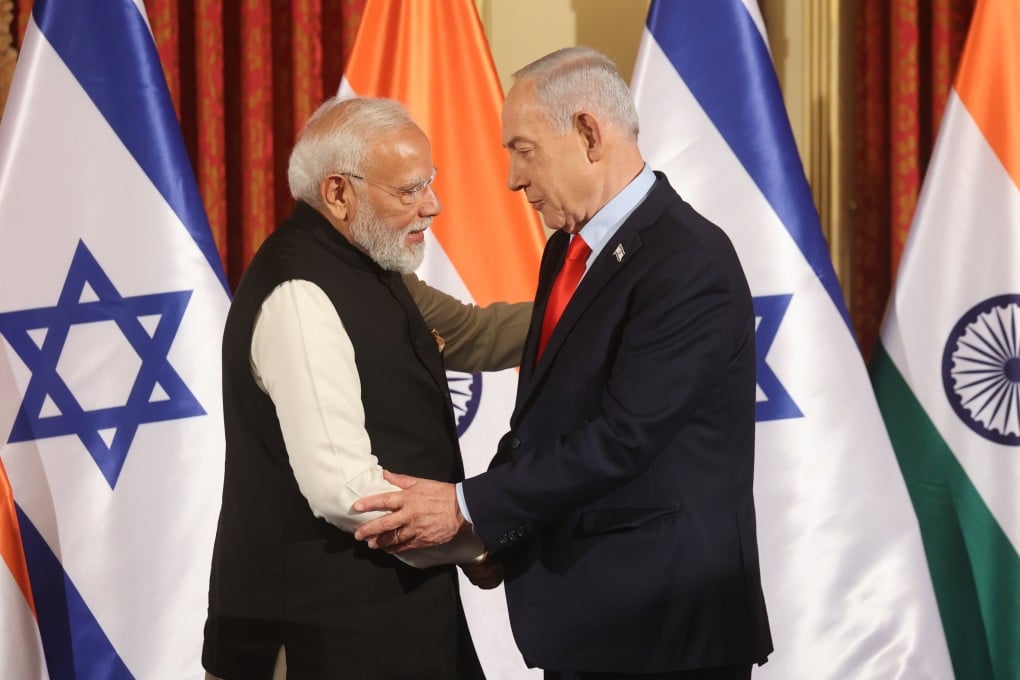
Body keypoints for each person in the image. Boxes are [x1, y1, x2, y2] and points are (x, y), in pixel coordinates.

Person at [353, 47, 773, 679]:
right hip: (595, 623)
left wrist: (468, 506)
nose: (512, 179)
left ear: (588, 134)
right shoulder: (569, 251)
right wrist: (492, 531)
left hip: (664, 632)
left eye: (523, 150)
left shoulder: (689, 262)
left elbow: (623, 437)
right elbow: (546, 420)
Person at [202, 96, 530, 679]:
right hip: (317, 634)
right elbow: (347, 492)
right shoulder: (299, 294)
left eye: (429, 182)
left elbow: (477, 334)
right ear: (338, 193)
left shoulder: (372, 265)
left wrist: (603, 303)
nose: (433, 205)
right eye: (409, 191)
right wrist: (471, 538)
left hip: (397, 619)